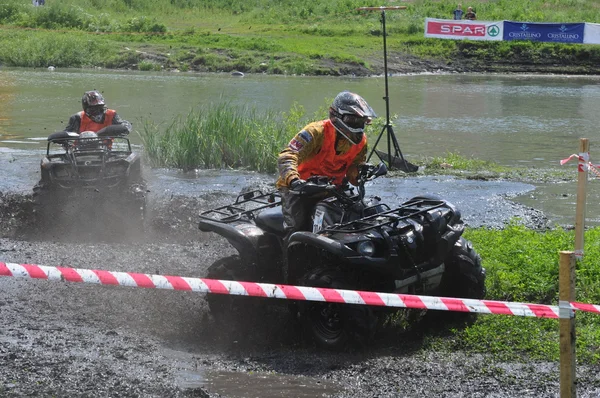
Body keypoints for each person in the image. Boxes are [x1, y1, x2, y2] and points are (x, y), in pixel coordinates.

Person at [276, 91, 376, 233]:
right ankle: (286, 254)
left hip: (333, 189)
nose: (357, 125)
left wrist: (361, 174)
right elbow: (287, 155)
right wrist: (294, 181)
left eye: (360, 121)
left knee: (361, 215)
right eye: (352, 120)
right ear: (337, 116)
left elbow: (353, 170)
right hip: (300, 189)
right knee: (297, 226)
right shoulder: (316, 132)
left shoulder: (361, 141)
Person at [63, 90, 132, 134]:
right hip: (79, 150)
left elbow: (126, 126)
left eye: (100, 108)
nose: (98, 111)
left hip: (105, 149)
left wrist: (113, 130)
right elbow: (67, 133)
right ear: (86, 108)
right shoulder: (77, 117)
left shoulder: (111, 115)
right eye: (94, 109)